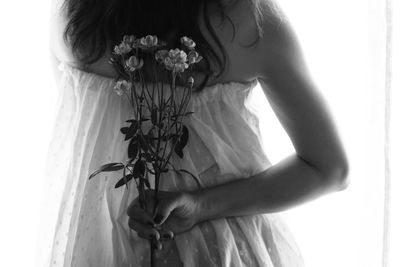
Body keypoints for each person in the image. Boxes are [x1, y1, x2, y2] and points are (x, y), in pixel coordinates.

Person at [45, 0, 349, 266]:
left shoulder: (72, 18)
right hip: (216, 247)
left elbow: (84, 141)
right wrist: (200, 205)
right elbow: (328, 168)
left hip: (97, 242)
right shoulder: (248, 22)